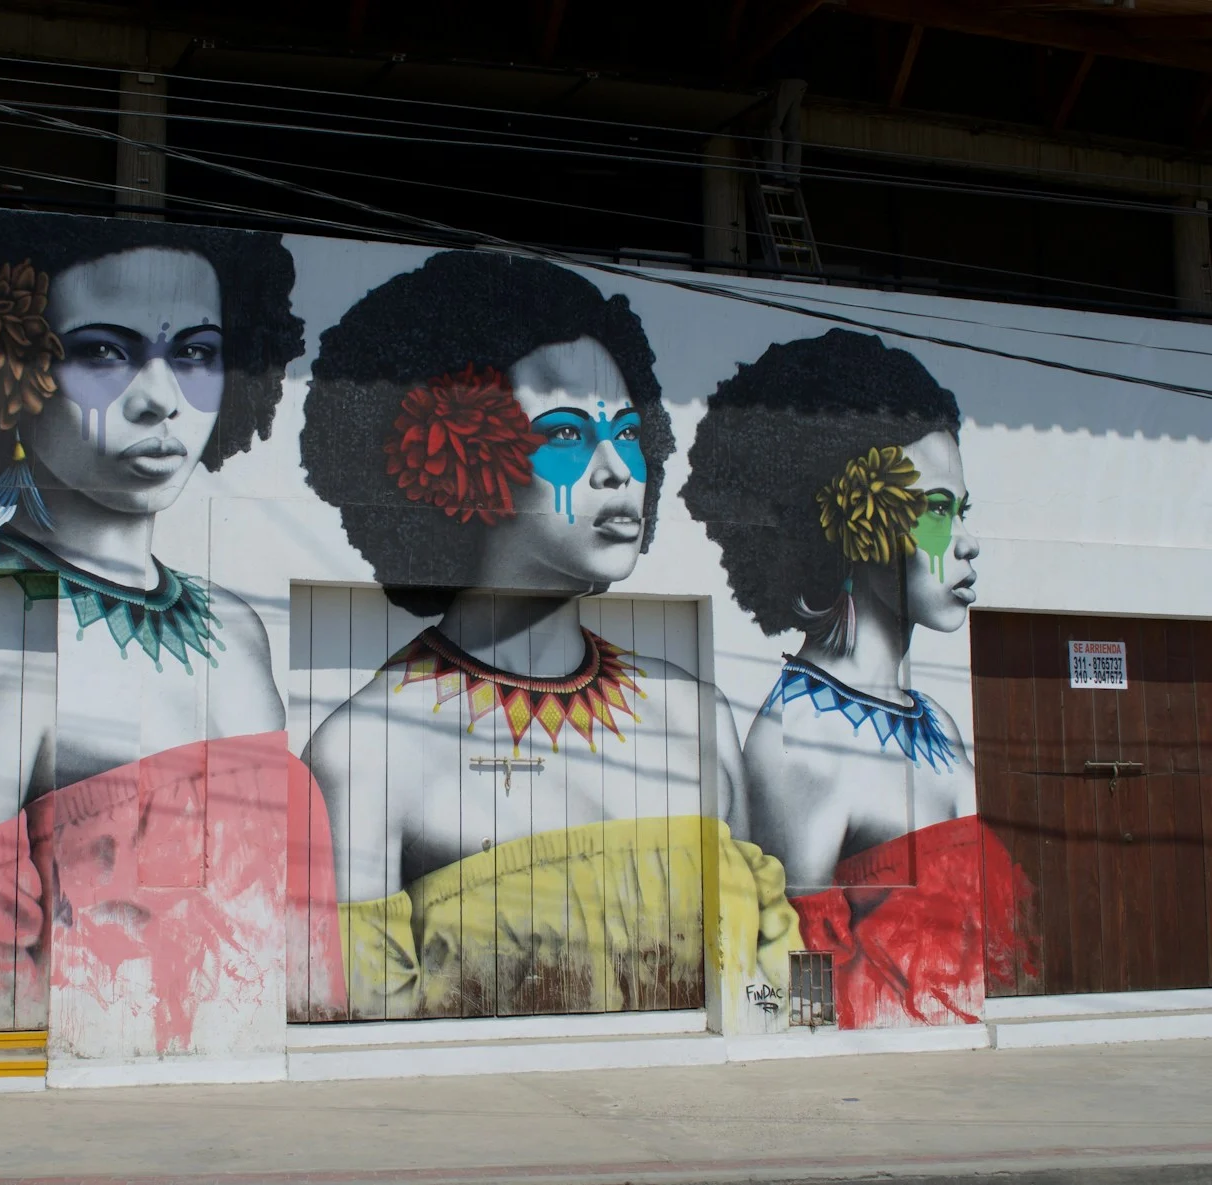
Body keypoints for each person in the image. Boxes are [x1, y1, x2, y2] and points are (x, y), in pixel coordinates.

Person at [0, 200, 306, 1040]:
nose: (161, 400)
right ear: (8, 369)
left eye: (195, 353)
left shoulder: (235, 626)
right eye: (104, 352)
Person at [298, 250, 799, 1021]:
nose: (616, 469)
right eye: (567, 433)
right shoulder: (366, 750)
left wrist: (769, 1024)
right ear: (463, 457)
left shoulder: (698, 716)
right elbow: (354, 1010)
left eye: (628, 433)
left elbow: (761, 967)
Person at [681, 328, 1030, 1028]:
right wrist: (804, 1049)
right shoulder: (798, 739)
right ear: (854, 519)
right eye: (935, 510)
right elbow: (788, 946)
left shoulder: (935, 720)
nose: (966, 541)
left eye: (960, 511)